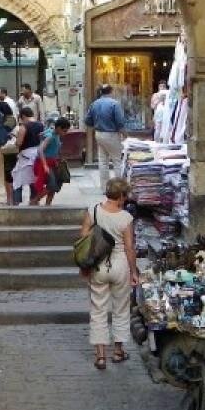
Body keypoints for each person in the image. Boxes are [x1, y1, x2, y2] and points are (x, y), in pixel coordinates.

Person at [80, 178, 138, 370]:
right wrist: (134, 271)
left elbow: (83, 239)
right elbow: (129, 248)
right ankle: (118, 352)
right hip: (120, 265)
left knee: (98, 310)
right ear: (121, 196)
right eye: (125, 196)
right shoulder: (126, 218)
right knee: (121, 309)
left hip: (98, 266)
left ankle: (100, 356)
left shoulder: (94, 211)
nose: (126, 199)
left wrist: (84, 265)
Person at [84, 84, 127, 192]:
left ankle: (105, 188)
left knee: (103, 161)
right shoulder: (114, 103)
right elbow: (120, 122)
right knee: (117, 161)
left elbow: (88, 121)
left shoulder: (94, 103)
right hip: (112, 134)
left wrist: (96, 124)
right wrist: (125, 134)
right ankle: (118, 188)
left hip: (99, 134)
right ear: (111, 92)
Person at [8, 107, 44, 205]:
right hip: (37, 154)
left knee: (17, 179)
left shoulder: (24, 126)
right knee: (33, 179)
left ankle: (16, 201)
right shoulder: (41, 125)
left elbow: (19, 143)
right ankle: (33, 200)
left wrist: (15, 140)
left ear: (23, 116)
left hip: (26, 156)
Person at [33, 117, 72, 206]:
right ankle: (34, 201)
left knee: (55, 184)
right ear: (58, 128)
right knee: (52, 185)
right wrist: (45, 165)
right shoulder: (50, 136)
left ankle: (48, 205)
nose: (65, 133)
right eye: (64, 131)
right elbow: (40, 150)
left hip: (53, 162)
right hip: (46, 162)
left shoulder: (55, 134)